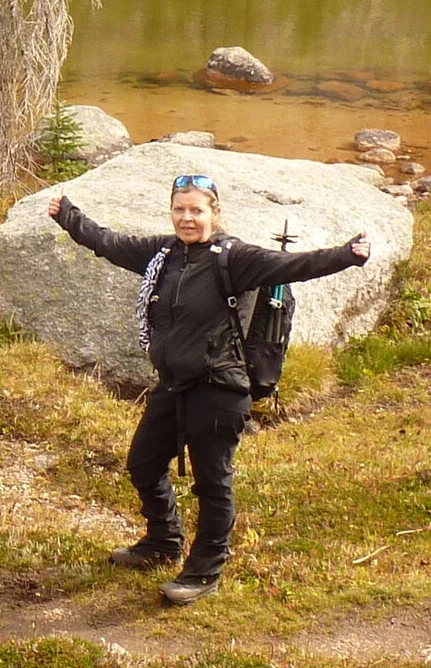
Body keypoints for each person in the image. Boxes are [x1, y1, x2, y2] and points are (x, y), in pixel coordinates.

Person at [49, 174, 372, 605]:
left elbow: (295, 265)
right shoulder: (162, 254)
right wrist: (68, 215)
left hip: (219, 388)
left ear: (214, 214)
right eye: (180, 209)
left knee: (212, 483)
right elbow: (109, 242)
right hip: (175, 386)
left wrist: (348, 254)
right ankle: (164, 541)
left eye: (196, 210)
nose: (187, 218)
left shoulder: (233, 257)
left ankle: (204, 570)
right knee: (144, 463)